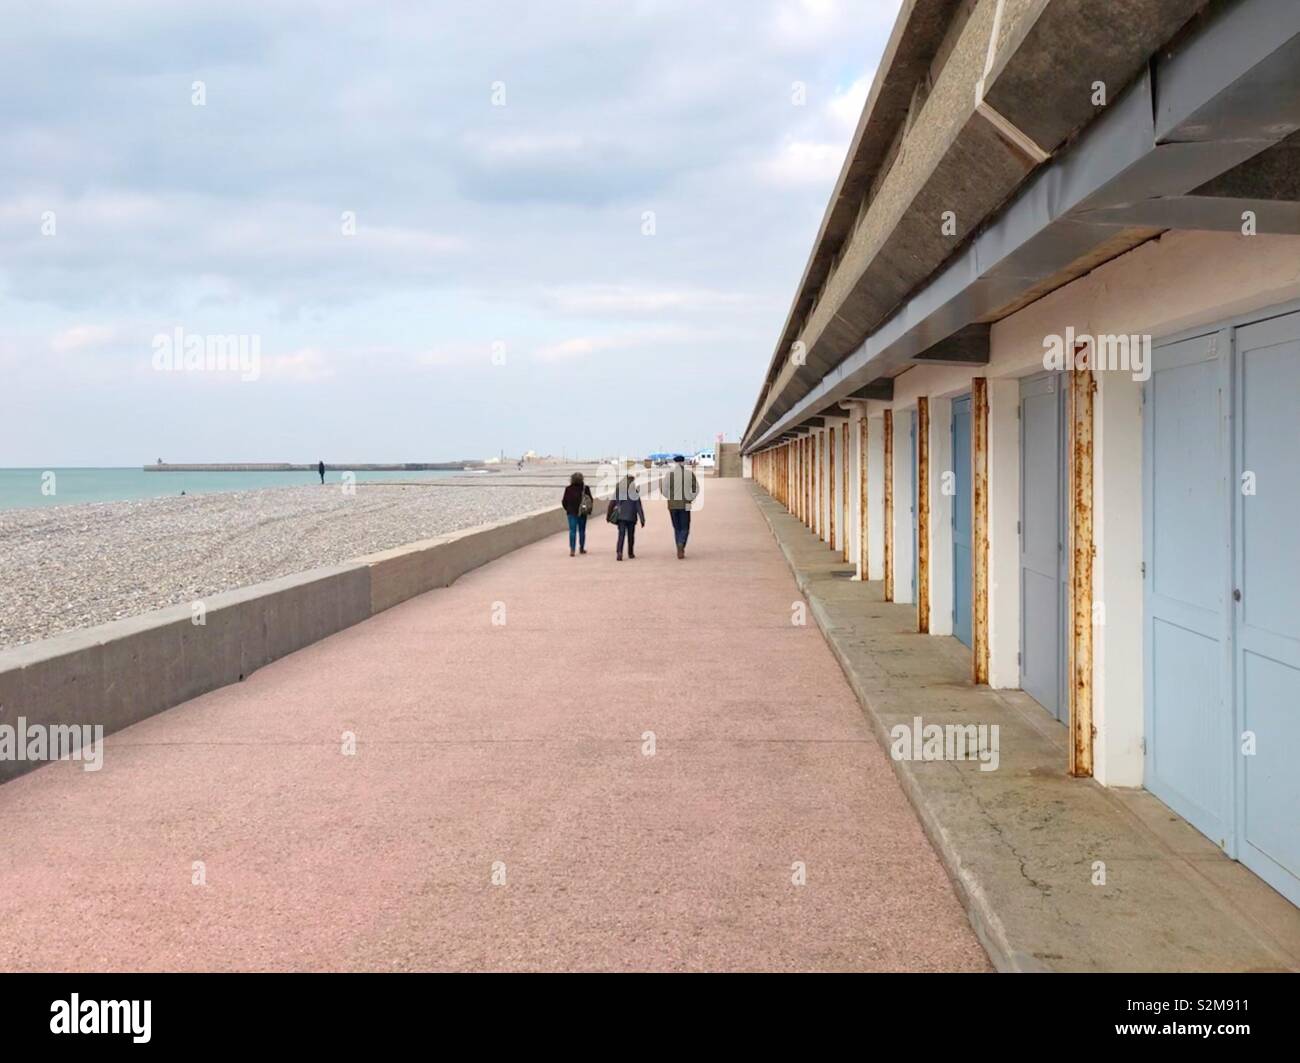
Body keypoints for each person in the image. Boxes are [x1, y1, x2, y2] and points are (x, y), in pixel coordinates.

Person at [663, 454, 699, 559]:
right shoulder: (689, 474)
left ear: (674, 463)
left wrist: (670, 498)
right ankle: (681, 544)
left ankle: (679, 546)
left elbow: (664, 490)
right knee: (685, 527)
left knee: (676, 527)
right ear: (683, 462)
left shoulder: (669, 474)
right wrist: (690, 498)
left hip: (672, 505)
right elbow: (696, 488)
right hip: (686, 504)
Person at [609, 472, 645, 561]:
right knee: (631, 535)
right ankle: (630, 553)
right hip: (631, 516)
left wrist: (608, 515)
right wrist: (642, 519)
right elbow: (638, 506)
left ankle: (619, 552)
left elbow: (612, 504)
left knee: (621, 535)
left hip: (621, 516)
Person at [561, 471, 594, 557]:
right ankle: (581, 548)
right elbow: (590, 500)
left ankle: (572, 549)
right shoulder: (585, 488)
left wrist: (568, 509)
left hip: (571, 512)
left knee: (572, 531)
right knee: (582, 530)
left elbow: (564, 501)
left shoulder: (568, 489)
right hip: (582, 513)